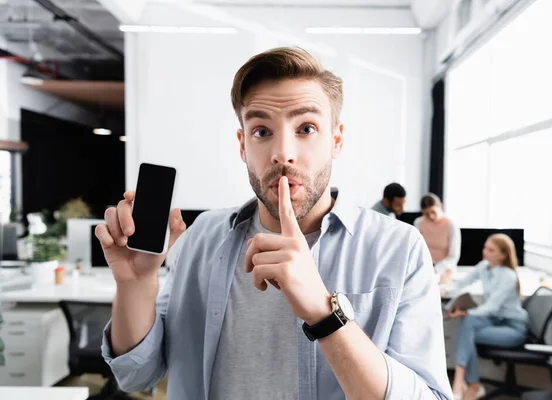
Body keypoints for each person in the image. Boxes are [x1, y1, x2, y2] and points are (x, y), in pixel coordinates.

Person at [98, 47, 452, 400]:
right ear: (243, 146)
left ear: (336, 140)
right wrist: (136, 283)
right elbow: (135, 375)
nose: (283, 153)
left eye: (307, 128)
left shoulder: (398, 248)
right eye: (262, 131)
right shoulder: (202, 236)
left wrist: (323, 313)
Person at [440, 234, 528, 400]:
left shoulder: (508, 276)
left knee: (467, 328)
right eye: (485, 247)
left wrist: (464, 313)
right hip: (494, 321)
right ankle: (468, 384)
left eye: (491, 250)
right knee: (468, 327)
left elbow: (491, 307)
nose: (485, 252)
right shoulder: (484, 266)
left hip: (512, 328)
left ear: (503, 255)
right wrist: (444, 289)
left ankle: (463, 384)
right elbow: (461, 283)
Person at [414, 193, 461, 284]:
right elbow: (417, 249)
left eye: (433, 212)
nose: (431, 216)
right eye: (426, 214)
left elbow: (453, 256)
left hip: (445, 269)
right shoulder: (418, 223)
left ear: (440, 206)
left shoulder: (451, 224)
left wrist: (437, 268)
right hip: (424, 267)